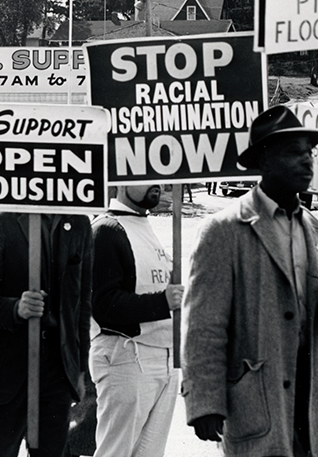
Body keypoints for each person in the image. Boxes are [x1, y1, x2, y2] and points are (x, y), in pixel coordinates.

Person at [182, 104, 318, 457]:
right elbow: (203, 325)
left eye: (309, 153)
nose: (307, 162)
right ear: (264, 161)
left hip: (308, 398)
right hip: (256, 400)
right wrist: (204, 401)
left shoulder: (314, 228)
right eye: (294, 153)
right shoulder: (224, 230)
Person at [0, 211, 94, 457]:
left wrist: (79, 369)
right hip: (6, 373)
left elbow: (81, 305)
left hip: (57, 371)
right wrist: (15, 308)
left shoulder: (78, 223)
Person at [89, 184, 184, 457]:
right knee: (116, 452)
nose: (158, 184)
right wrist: (162, 303)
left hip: (162, 359)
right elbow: (104, 306)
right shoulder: (107, 230)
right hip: (129, 356)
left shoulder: (142, 225)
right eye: (146, 175)